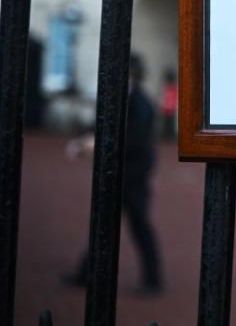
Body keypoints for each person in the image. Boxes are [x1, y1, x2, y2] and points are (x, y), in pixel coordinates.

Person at [62, 53, 163, 295]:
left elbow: (135, 141)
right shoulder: (119, 97)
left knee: (138, 225)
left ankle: (153, 280)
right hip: (117, 172)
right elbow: (101, 125)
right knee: (105, 222)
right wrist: (87, 139)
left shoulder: (141, 103)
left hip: (134, 174)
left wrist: (97, 143)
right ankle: (87, 272)